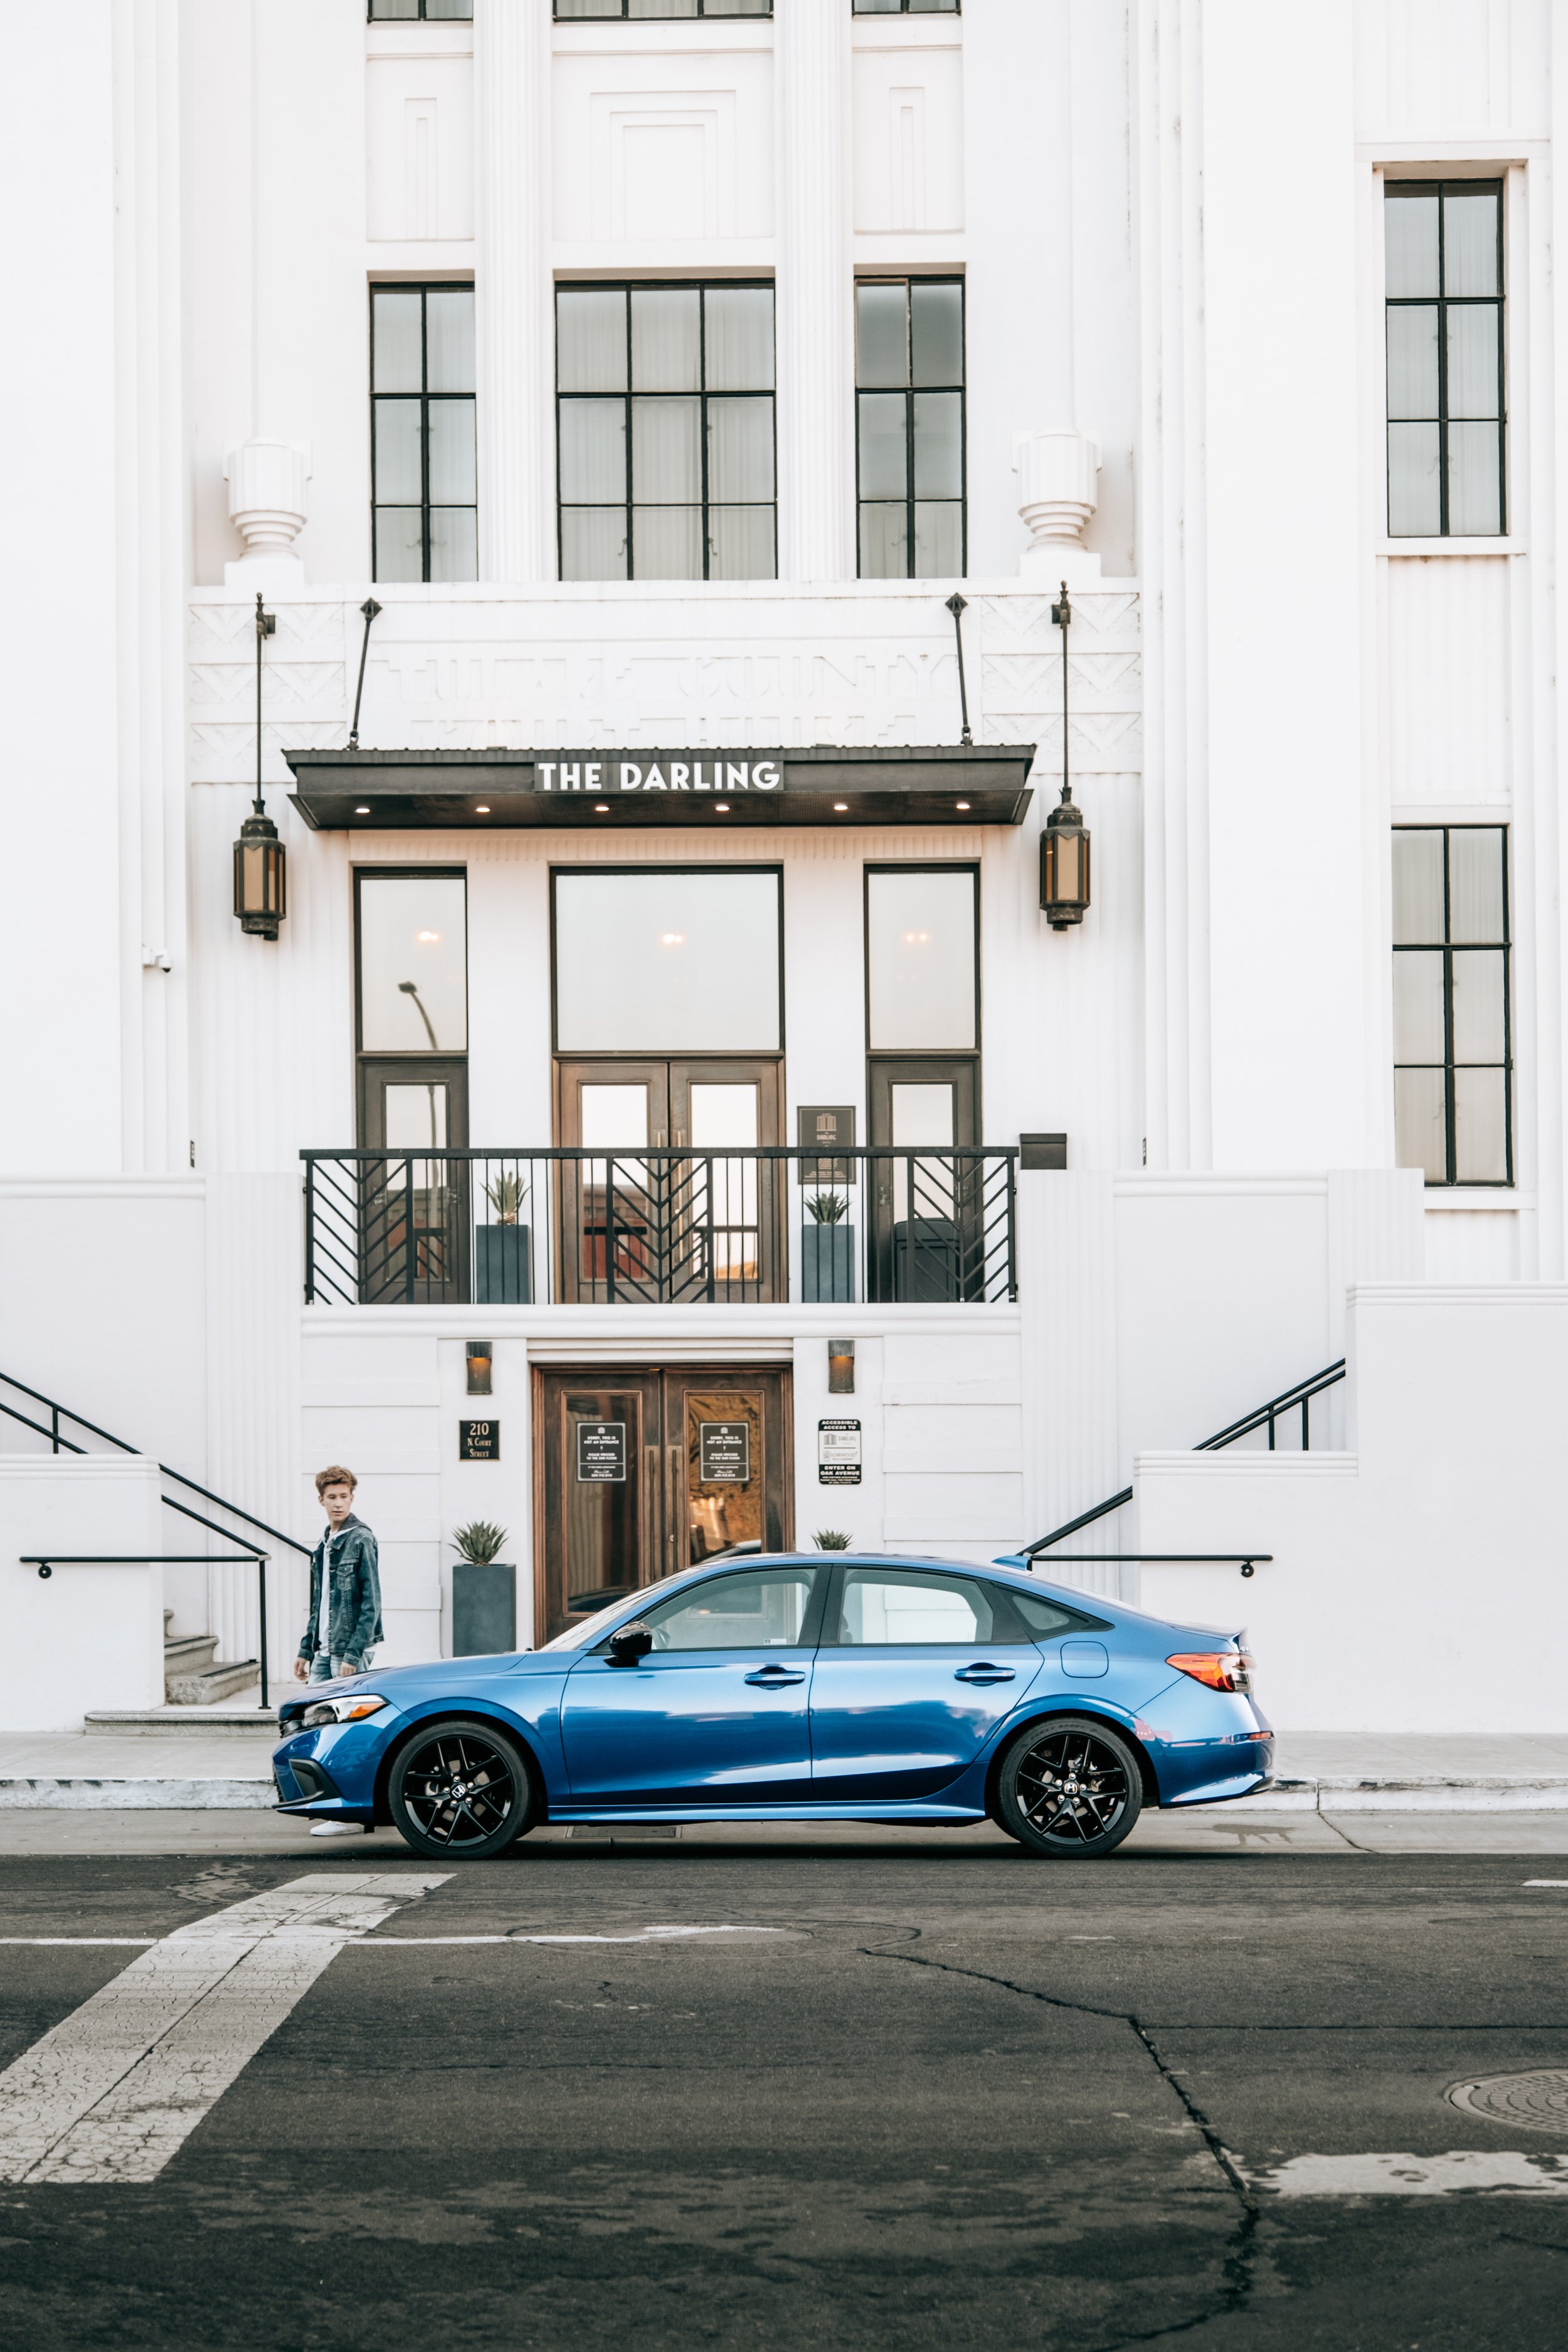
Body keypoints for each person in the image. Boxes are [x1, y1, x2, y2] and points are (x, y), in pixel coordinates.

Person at [294, 1466, 384, 1839]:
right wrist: (305, 1648)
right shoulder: (324, 1544)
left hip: (349, 1651)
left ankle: (351, 1816)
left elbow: (371, 1603)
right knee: (310, 1723)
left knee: (346, 1734)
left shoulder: (361, 1539)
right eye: (331, 1497)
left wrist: (351, 1654)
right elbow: (318, 1603)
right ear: (321, 1499)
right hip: (324, 1650)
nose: (338, 1503)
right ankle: (330, 1804)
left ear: (352, 1497)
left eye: (344, 1496)